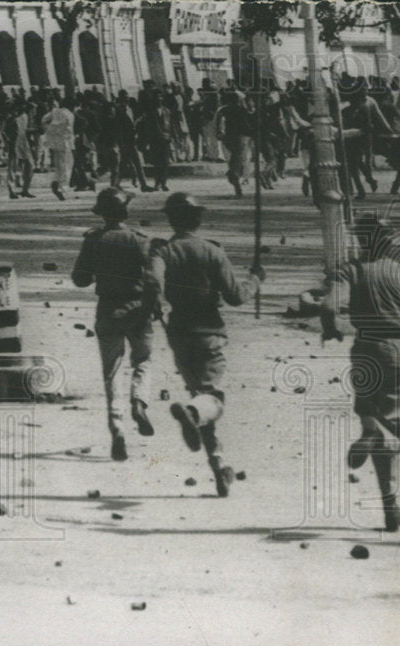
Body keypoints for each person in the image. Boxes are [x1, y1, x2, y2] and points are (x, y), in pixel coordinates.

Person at [319, 214, 400, 532]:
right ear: (390, 242)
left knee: (371, 415)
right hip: (396, 352)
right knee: (394, 428)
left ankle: (390, 504)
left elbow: (330, 307)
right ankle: (390, 496)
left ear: (361, 240)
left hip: (364, 350)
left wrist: (332, 329)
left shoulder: (349, 271)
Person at [153, 193, 265, 497]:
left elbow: (153, 283)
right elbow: (236, 296)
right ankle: (192, 415)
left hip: (178, 332)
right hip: (209, 331)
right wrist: (255, 280)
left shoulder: (164, 252)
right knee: (210, 398)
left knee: (201, 400)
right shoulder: (212, 252)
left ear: (170, 219)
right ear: (198, 219)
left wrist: (156, 304)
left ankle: (219, 466)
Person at [71, 188, 162, 463]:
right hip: (138, 310)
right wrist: (155, 305)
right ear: (126, 212)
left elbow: (80, 279)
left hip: (108, 310)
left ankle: (118, 428)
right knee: (143, 360)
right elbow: (153, 280)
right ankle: (139, 401)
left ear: (102, 213)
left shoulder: (93, 240)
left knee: (111, 371)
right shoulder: (140, 241)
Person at [215, 90, 252, 198]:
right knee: (237, 160)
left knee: (232, 160)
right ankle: (235, 177)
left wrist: (219, 134)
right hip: (240, 138)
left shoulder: (222, 110)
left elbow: (218, 124)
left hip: (227, 138)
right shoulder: (242, 110)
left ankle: (234, 177)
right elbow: (247, 125)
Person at [137, 91, 173, 191]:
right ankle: (157, 182)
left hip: (166, 139)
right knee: (157, 162)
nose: (159, 99)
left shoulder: (167, 111)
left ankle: (164, 182)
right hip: (155, 139)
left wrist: (171, 137)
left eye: (160, 97)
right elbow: (147, 127)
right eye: (156, 97)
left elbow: (170, 125)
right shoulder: (149, 112)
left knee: (165, 161)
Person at [42, 96, 75, 200]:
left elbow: (44, 120)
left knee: (59, 164)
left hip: (54, 142)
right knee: (67, 165)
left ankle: (57, 182)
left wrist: (48, 131)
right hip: (66, 142)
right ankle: (61, 187)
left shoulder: (55, 112)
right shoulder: (70, 114)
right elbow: (69, 130)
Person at [3, 102, 35, 199]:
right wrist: (7, 141)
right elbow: (4, 131)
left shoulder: (25, 117)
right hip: (14, 144)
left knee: (30, 166)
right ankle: (11, 190)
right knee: (13, 167)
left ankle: (25, 189)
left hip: (25, 144)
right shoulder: (11, 119)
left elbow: (25, 130)